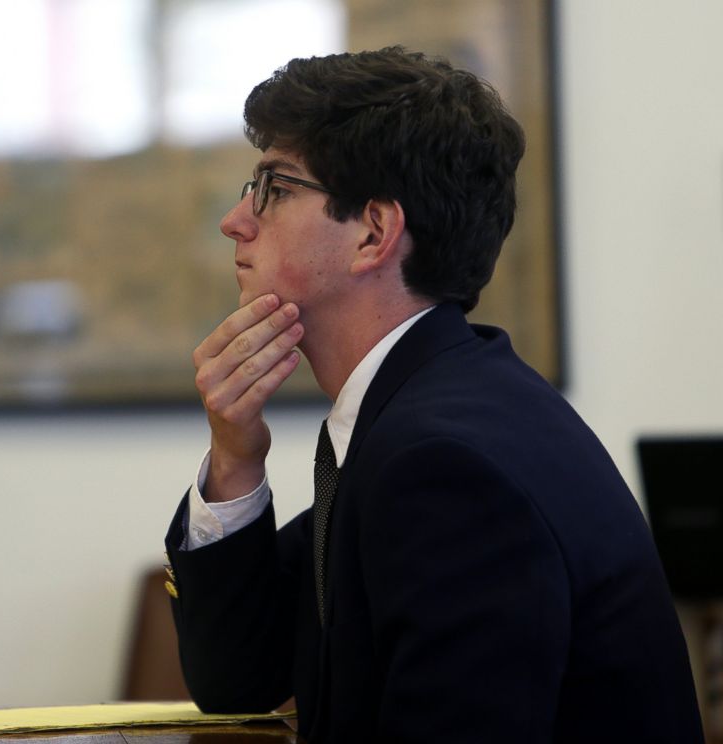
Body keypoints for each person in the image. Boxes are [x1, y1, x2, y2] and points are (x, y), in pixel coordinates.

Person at [162, 46, 703, 742]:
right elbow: (236, 679)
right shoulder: (431, 405)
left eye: (275, 188)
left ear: (375, 233)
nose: (235, 221)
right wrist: (236, 457)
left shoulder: (446, 464)